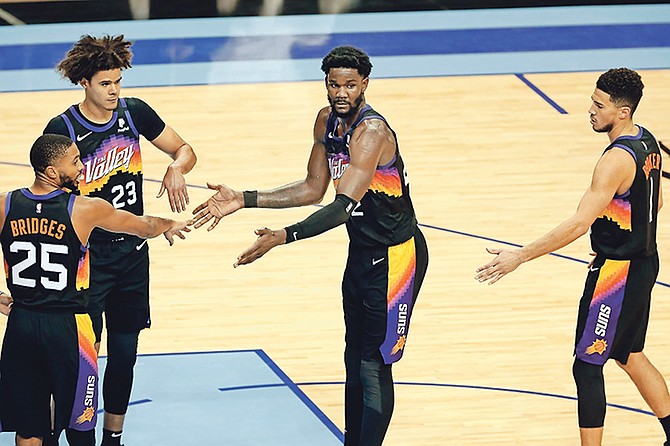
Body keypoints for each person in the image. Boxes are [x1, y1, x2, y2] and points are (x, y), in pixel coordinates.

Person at [191, 45, 429, 446]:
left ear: (365, 85)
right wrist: (245, 198)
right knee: (353, 358)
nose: (340, 93)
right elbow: (312, 187)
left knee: (373, 363)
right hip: (363, 253)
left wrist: (285, 235)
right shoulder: (326, 122)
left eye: (350, 85)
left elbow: (341, 206)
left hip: (396, 258)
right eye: (333, 84)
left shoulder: (371, 133)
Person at [475, 68, 670, 446]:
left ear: (623, 111)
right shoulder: (647, 141)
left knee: (587, 365)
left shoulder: (614, 160)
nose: (591, 110)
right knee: (629, 353)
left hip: (617, 273)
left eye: (600, 105)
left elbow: (579, 223)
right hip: (645, 262)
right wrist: (623, 235)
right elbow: (657, 202)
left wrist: (520, 256)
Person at [42, 34, 197, 446]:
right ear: (85, 84)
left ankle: (113, 437)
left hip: (132, 255)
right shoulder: (63, 128)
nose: (114, 91)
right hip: (87, 261)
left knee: (125, 353)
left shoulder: (135, 113)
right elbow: (49, 192)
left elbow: (184, 148)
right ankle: (68, 432)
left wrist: (178, 167)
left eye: (117, 82)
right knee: (81, 356)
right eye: (105, 84)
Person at [0, 134, 189, 446]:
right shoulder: (84, 209)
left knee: (29, 428)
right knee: (81, 424)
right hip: (71, 326)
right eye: (74, 162)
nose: (81, 168)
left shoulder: (5, 205)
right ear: (51, 172)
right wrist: (169, 223)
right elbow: (143, 226)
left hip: (22, 324)